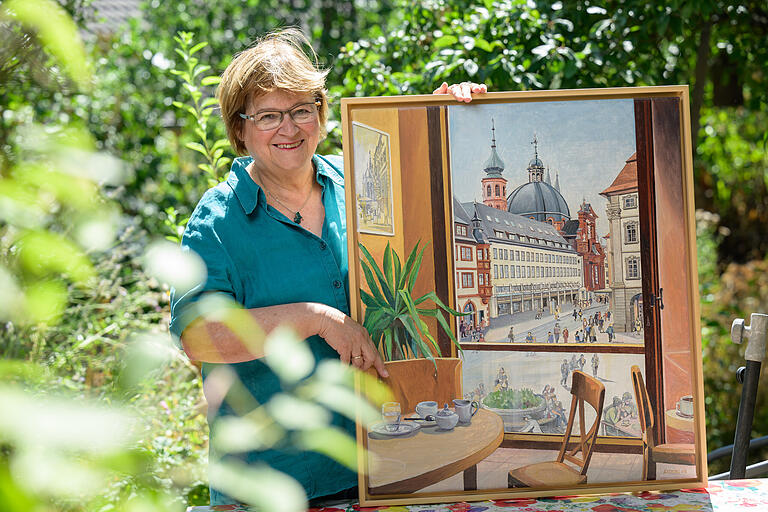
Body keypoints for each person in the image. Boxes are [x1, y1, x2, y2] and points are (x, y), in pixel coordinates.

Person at [169, 29, 486, 506]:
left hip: (381, 467)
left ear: (320, 113)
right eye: (269, 116)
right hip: (270, 484)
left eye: (301, 110)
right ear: (240, 129)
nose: (289, 129)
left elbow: (427, 190)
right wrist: (316, 318)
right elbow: (197, 336)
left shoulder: (362, 183)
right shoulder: (217, 221)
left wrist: (441, 115)